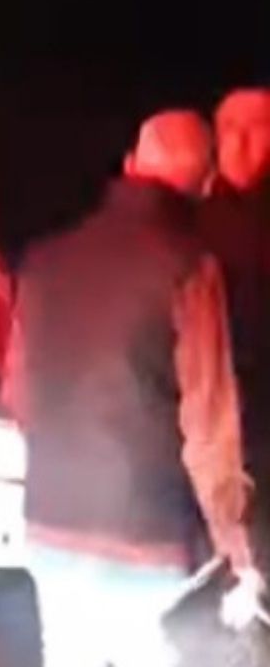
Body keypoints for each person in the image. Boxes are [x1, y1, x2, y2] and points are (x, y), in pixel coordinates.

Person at [5, 109, 254, 666]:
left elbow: (18, 396)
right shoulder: (190, 267)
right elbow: (208, 427)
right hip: (149, 539)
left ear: (129, 164)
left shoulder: (44, 261)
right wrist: (237, 548)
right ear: (207, 184)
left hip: (51, 525)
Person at [199, 88, 270, 577]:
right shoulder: (189, 217)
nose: (241, 142)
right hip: (212, 419)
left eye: (256, 128)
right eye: (229, 130)